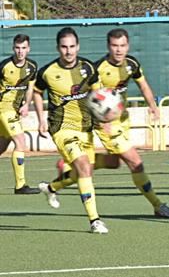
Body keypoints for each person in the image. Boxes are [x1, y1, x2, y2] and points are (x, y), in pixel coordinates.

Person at [53, 29, 169, 218]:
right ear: (108, 46)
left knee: (114, 163)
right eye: (114, 46)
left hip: (123, 121)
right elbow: (84, 95)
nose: (119, 50)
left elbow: (143, 84)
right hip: (106, 125)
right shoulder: (97, 68)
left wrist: (153, 106)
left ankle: (70, 169)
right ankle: (158, 205)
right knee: (136, 162)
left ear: (127, 46)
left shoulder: (132, 64)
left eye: (122, 46)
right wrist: (99, 118)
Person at [34, 27, 108, 234]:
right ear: (58, 48)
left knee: (82, 173)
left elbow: (99, 95)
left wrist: (103, 117)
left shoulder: (89, 68)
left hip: (86, 129)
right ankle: (95, 220)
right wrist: (41, 119)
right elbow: (37, 93)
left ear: (78, 46)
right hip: (61, 129)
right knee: (84, 166)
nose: (68, 51)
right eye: (64, 47)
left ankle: (50, 189)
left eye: (72, 47)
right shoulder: (47, 72)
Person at [0, 34, 40, 194]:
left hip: (15, 111)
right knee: (21, 141)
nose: (20, 51)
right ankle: (20, 185)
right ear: (13, 48)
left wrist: (26, 105)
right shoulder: (4, 66)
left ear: (28, 49)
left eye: (23, 48)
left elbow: (30, 89)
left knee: (2, 146)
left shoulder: (32, 66)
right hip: (3, 109)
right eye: (17, 48)